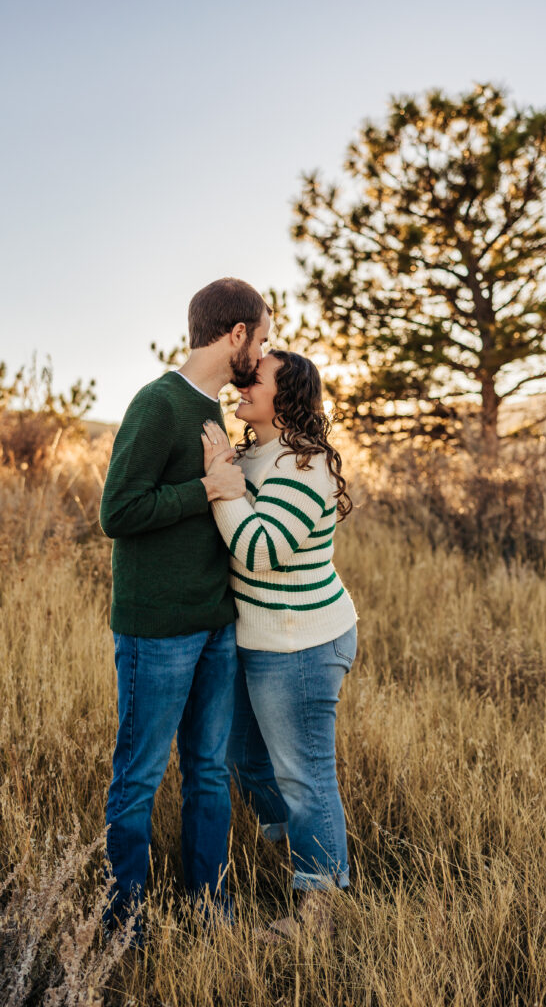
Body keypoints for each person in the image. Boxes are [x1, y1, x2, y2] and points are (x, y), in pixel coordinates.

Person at [99, 277, 270, 930]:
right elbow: (117, 511)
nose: (263, 349)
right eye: (262, 337)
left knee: (206, 771)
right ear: (235, 336)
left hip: (213, 623)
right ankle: (126, 924)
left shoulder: (210, 409)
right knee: (139, 777)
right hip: (158, 631)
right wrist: (205, 488)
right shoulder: (158, 403)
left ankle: (209, 906)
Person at [201, 350, 357, 938]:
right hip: (260, 641)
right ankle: (304, 848)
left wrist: (224, 488)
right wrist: (228, 473)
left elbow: (261, 550)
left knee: (305, 777)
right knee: (244, 760)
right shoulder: (256, 453)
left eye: (253, 379)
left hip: (302, 646)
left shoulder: (302, 465)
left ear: (285, 397)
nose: (241, 384)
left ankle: (321, 912)